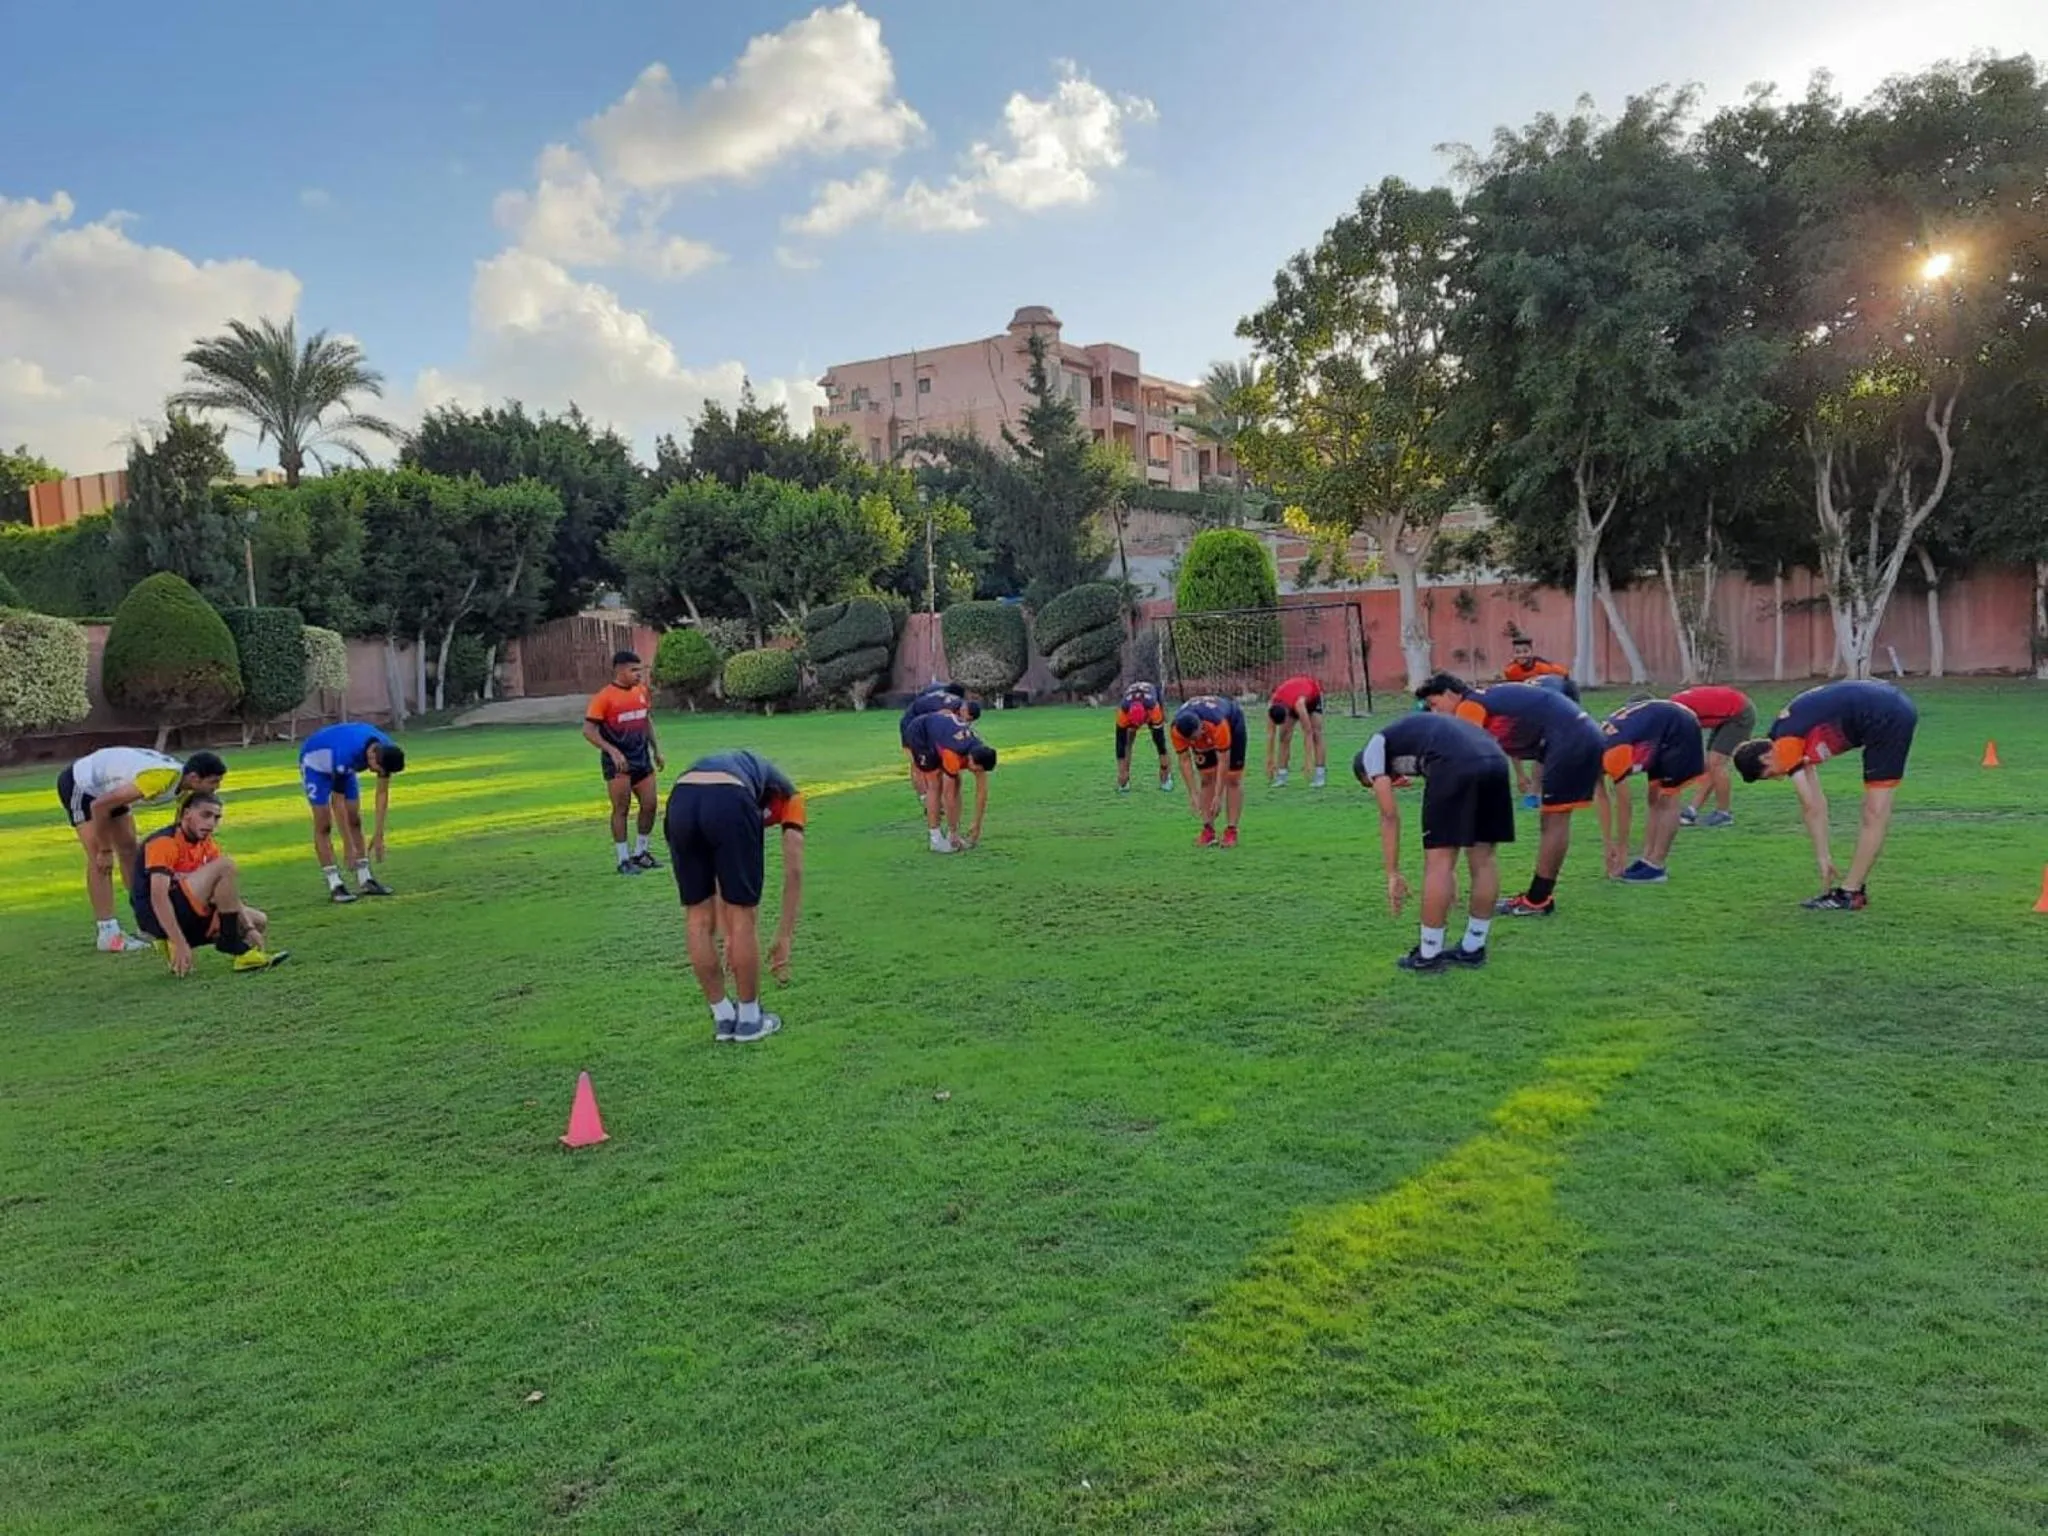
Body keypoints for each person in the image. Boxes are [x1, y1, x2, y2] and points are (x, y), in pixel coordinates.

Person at [1418, 673, 1603, 917]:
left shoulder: (1468, 706)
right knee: (1553, 820)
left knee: (1554, 820)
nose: (1435, 713)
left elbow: (1467, 754)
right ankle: (1539, 897)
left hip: (1570, 739)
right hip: (1576, 734)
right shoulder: (1486, 701)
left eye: (1434, 704)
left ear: (1451, 694)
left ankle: (1538, 900)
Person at [1732, 680, 1918, 911]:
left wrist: (1822, 858)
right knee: (1875, 812)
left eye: (1769, 775)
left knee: (1875, 812)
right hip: (1891, 703)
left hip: (1885, 716)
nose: (1779, 778)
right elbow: (1817, 802)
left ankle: (1850, 893)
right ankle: (1853, 889)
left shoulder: (1785, 745)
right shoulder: (1789, 735)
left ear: (1765, 758)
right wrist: (1824, 855)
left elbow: (1809, 804)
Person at [1354, 712, 1516, 973]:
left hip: (1455, 762)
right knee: (1483, 858)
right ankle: (1473, 948)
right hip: (1495, 760)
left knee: (1439, 862)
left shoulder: (1375, 746)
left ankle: (1429, 955)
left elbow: (1389, 815)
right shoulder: (1413, 739)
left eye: (1370, 782)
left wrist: (1392, 873)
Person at [664, 750, 806, 1043]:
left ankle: (723, 1016)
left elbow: (720, 868)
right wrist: (785, 937)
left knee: (697, 916)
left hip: (681, 797)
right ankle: (751, 1021)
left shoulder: (748, 773)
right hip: (729, 799)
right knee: (744, 915)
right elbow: (794, 871)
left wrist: (729, 936)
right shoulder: (792, 797)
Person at [57, 746, 228, 952]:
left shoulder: (186, 790)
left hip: (112, 790)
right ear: (194, 778)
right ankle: (108, 934)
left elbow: (180, 834)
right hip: (83, 786)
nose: (216, 788)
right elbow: (99, 806)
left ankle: (146, 922)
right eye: (213, 782)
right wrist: (104, 850)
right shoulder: (159, 779)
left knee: (130, 852)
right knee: (100, 861)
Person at [132, 791, 287, 975]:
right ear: (187, 813)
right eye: (206, 815)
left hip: (187, 912)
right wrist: (179, 942)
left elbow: (225, 892)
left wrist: (249, 928)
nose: (211, 823)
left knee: (258, 921)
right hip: (157, 916)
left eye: (216, 818)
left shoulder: (207, 844)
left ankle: (239, 954)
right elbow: (158, 897)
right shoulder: (164, 842)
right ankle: (228, 943)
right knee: (225, 865)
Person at [1594, 696, 1707, 884]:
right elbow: (1602, 798)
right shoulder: (1588, 755)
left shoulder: (1612, 754)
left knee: (1668, 797)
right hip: (1657, 730)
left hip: (1680, 727)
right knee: (1653, 797)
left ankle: (1657, 866)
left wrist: (1621, 851)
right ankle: (1646, 859)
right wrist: (1608, 846)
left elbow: (1624, 805)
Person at [298, 720, 407, 902]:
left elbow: (381, 793)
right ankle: (335, 883)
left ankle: (365, 878)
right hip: (316, 763)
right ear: (372, 756)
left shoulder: (385, 750)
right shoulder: (346, 754)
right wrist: (348, 846)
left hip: (345, 764)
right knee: (324, 824)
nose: (374, 773)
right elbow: (337, 802)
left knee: (355, 819)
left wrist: (379, 834)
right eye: (376, 769)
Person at [584, 649, 667, 875]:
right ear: (619, 671)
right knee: (621, 809)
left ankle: (641, 853)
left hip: (642, 760)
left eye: (640, 670)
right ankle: (623, 859)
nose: (639, 674)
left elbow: (646, 720)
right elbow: (588, 730)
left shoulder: (641, 691)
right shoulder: (604, 697)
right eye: (633, 670)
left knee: (650, 806)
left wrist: (657, 750)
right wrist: (612, 751)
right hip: (619, 765)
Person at [908, 709, 999, 852]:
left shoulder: (980, 752)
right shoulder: (953, 755)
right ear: (970, 759)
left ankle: (951, 835)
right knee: (935, 784)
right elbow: (948, 796)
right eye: (976, 769)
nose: (976, 772)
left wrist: (977, 825)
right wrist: (954, 831)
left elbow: (982, 792)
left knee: (957, 782)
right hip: (921, 733)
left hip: (941, 734)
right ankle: (936, 839)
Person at [1670, 683, 1757, 828]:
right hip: (1727, 713)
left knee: (1716, 764)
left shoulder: (1677, 713)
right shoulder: (1672, 708)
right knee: (1712, 764)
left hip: (1739, 713)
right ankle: (1691, 812)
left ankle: (1724, 814)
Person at [1170, 696, 1248, 848]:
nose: (1196, 741)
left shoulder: (1217, 724)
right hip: (1206, 727)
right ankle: (1208, 830)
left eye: (1197, 736)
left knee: (1233, 778)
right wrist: (1193, 793)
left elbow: (1223, 761)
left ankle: (1231, 830)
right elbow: (1184, 760)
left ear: (1200, 726)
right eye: (1192, 740)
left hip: (1233, 724)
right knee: (1206, 778)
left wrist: (1218, 796)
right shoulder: (1176, 731)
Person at [899, 686, 981, 801]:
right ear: (964, 711)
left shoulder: (961, 706)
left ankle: (935, 796)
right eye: (967, 719)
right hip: (911, 721)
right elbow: (938, 727)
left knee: (935, 760)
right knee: (917, 762)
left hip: (925, 721)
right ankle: (925, 798)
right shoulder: (946, 710)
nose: (966, 722)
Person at [1265, 674, 1327, 788]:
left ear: (1287, 713)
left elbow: (1307, 732)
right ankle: (1281, 777)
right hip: (1291, 698)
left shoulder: (1299, 705)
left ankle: (1319, 776)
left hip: (1312, 697)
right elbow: (1270, 734)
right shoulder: (1272, 706)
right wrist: (1269, 760)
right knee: (1283, 737)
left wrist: (1308, 761)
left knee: (1316, 735)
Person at [1114, 681, 1173, 794]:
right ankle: (1124, 781)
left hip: (1152, 695)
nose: (1139, 727)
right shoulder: (1123, 713)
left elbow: (1161, 744)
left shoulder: (1154, 710)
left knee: (1159, 743)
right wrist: (1122, 772)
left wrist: (1164, 767)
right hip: (1133, 701)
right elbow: (1120, 745)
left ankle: (1166, 778)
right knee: (1127, 741)